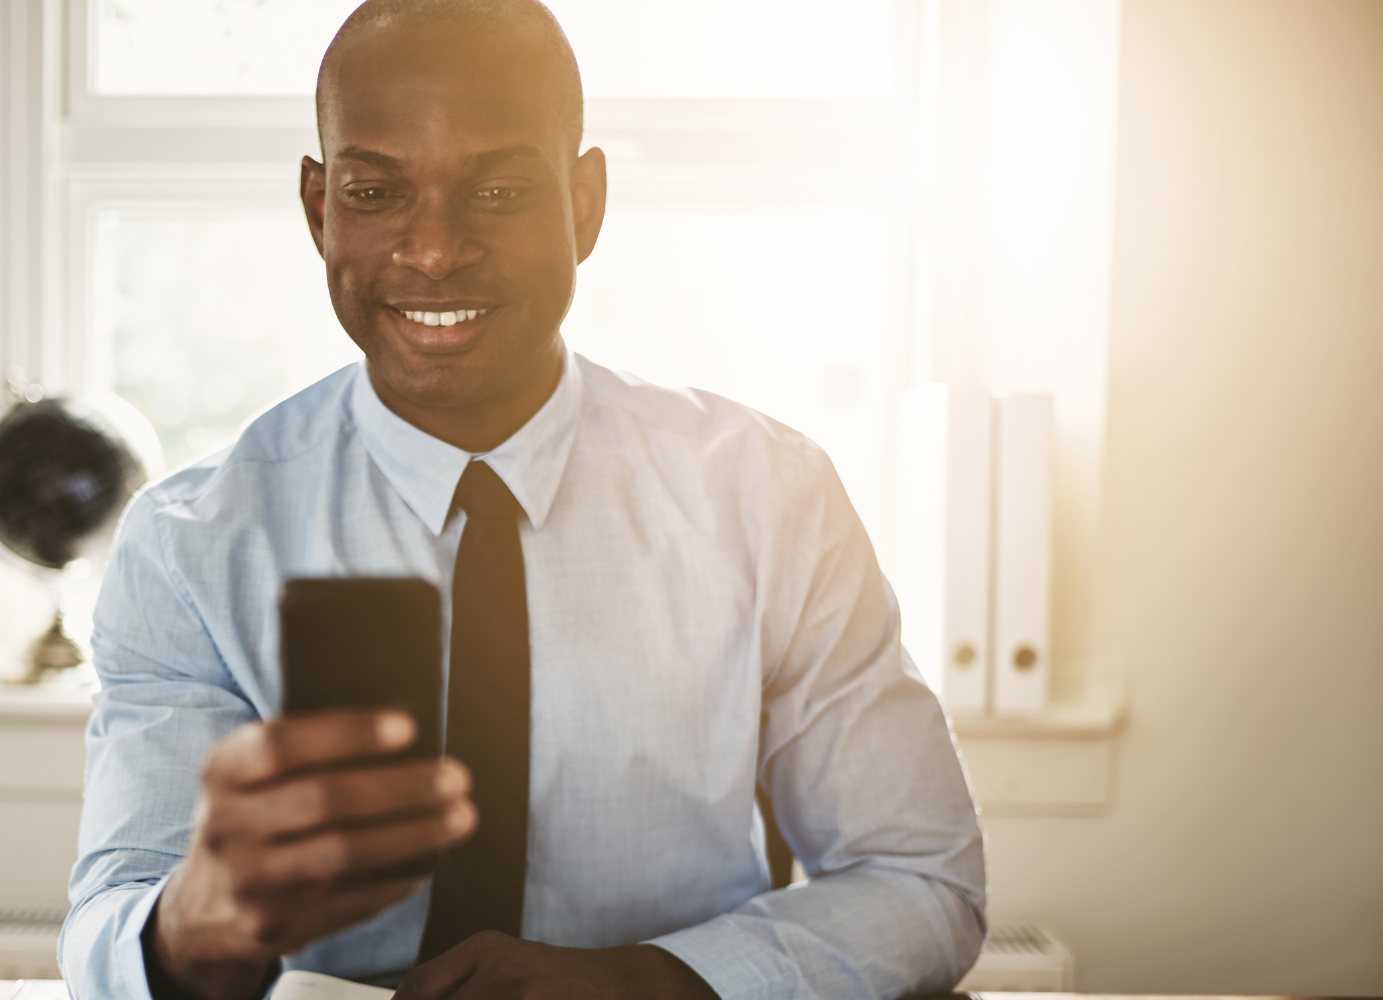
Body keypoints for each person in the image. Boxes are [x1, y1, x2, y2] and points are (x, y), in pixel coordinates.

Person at [59, 1, 986, 997]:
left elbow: (920, 881)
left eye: (496, 188)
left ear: (583, 204)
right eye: (376, 191)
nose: (432, 249)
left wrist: (643, 982)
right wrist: (202, 914)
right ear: (318, 208)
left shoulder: (768, 497)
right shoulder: (190, 544)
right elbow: (109, 932)